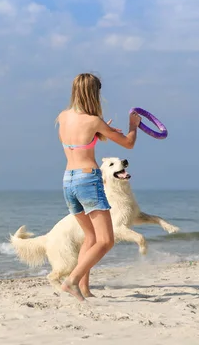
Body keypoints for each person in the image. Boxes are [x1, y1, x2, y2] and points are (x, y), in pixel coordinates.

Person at [55, 73, 142, 302]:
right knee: (106, 240)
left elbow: (79, 144)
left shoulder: (63, 117)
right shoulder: (94, 121)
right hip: (88, 180)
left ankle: (83, 290)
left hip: (68, 180)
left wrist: (100, 132)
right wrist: (134, 126)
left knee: (90, 238)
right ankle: (71, 281)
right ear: (94, 93)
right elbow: (129, 144)